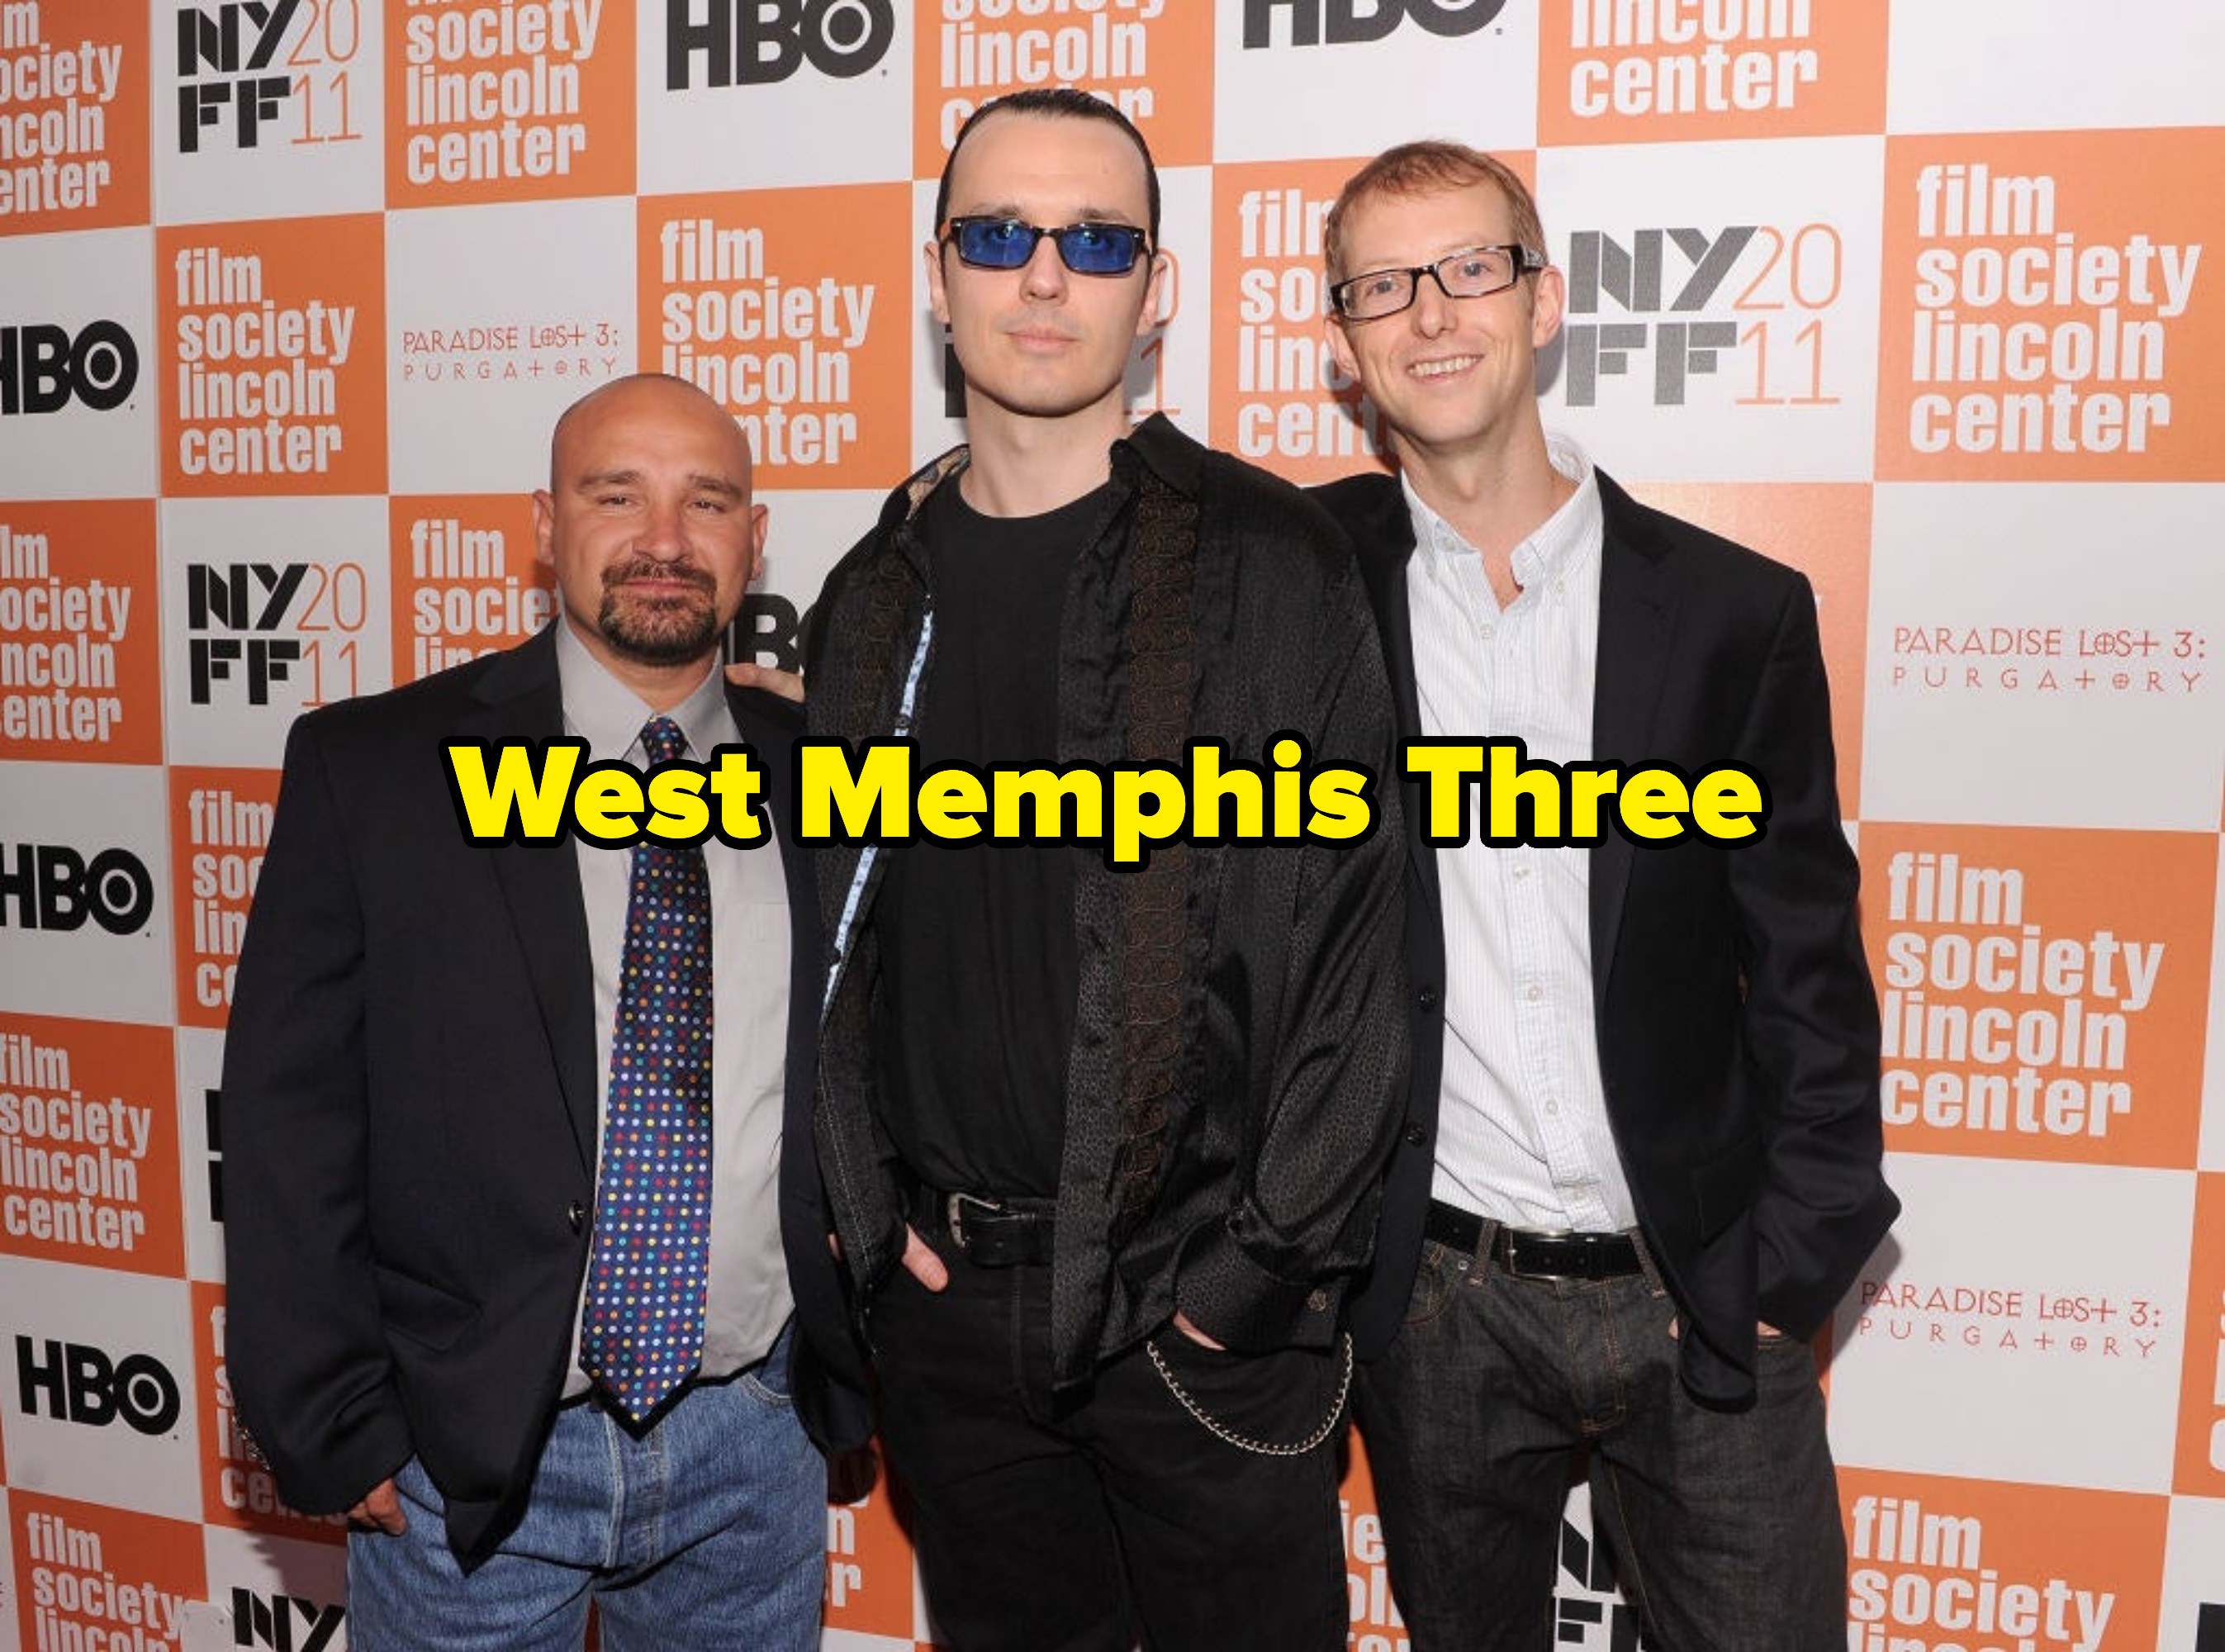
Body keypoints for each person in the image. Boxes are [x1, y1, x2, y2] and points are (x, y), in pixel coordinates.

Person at [803, 88, 1407, 1652]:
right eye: (999, 237)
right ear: (937, 276)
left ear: (1161, 288)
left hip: (1196, 1324)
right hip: (945, 1321)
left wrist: (1249, 1277)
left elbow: (1359, 957)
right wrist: (874, 1234)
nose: (1046, 277)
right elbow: (836, 951)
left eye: (1095, 240)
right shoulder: (870, 594)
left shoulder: (1270, 563)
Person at [1312, 142, 1897, 1652]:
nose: (1429, 314)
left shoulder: (1728, 614)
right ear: (1345, 340)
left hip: (1697, 1284)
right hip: (1433, 1298)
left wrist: (1787, 1270)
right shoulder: (1298, 586)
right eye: (1381, 286)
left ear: (1544, 299)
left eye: (1467, 269)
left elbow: (1809, 975)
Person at [221, 373, 866, 1650]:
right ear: (543, 524)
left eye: (707, 502)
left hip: (757, 1448)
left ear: (754, 537)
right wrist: (328, 1411)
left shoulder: (827, 777)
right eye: (615, 495)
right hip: (468, 1453)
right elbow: (289, 1120)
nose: (665, 541)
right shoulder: (376, 769)